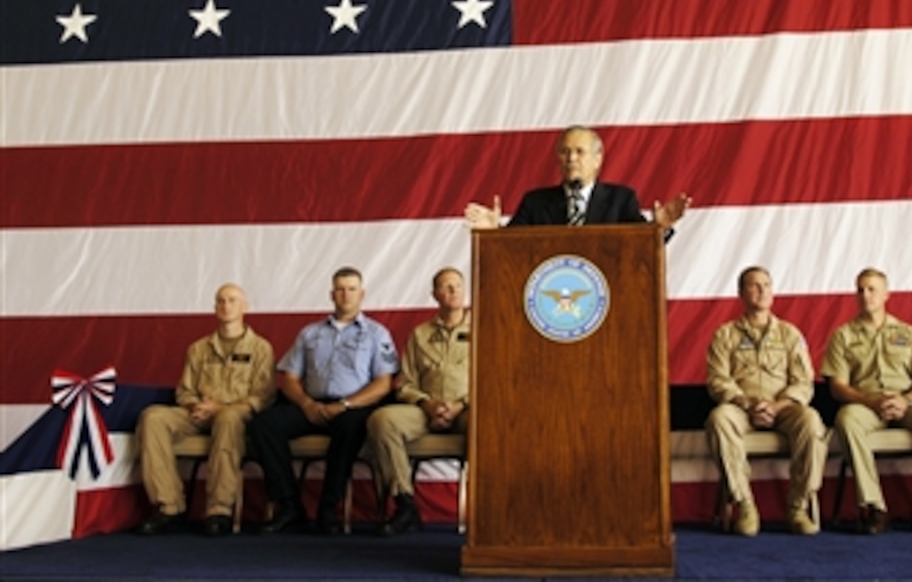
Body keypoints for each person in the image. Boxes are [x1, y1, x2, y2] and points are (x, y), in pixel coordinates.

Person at [248, 267, 399, 534]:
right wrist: (306, 404)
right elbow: (291, 379)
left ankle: (329, 509)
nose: (346, 295)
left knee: (349, 428)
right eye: (340, 289)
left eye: (352, 289)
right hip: (313, 405)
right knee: (264, 425)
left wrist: (344, 405)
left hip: (352, 408)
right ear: (332, 294)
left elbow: (383, 384)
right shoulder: (310, 333)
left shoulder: (377, 334)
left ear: (362, 294)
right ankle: (290, 505)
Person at [821, 268, 912, 534]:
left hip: (905, 404)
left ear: (886, 294)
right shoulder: (843, 335)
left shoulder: (908, 333)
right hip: (865, 406)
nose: (865, 295)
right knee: (846, 419)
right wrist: (870, 401)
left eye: (872, 289)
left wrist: (906, 401)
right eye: (860, 290)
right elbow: (838, 387)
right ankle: (873, 506)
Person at [135, 283, 276, 536]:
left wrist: (220, 407)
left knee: (228, 418)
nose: (226, 305)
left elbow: (262, 397)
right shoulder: (198, 349)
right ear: (214, 308)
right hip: (198, 412)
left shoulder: (261, 349)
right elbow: (184, 391)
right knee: (153, 417)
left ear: (245, 307)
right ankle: (169, 506)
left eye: (232, 300)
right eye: (220, 301)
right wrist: (195, 405)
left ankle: (218, 510)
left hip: (236, 414)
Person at [705, 266, 827, 536]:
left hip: (783, 408)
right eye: (754, 285)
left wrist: (776, 406)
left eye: (766, 285)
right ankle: (745, 505)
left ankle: (797, 506)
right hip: (742, 409)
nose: (761, 291)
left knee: (811, 420)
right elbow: (718, 381)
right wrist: (748, 404)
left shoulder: (790, 334)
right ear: (741, 293)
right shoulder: (725, 335)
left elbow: (803, 383)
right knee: (719, 418)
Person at [367, 267, 470, 537]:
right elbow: (405, 383)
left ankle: (488, 507)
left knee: (491, 425)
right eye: (446, 287)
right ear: (434, 294)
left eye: (457, 286)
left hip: (468, 411)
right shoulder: (420, 334)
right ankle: (405, 504)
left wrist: (459, 405)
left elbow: (493, 379)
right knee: (382, 420)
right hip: (425, 411)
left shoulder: (484, 329)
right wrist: (428, 404)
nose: (453, 292)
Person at [464, 125, 691, 232]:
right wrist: (496, 233)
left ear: (597, 159)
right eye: (565, 152)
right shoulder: (536, 202)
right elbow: (513, 245)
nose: (571, 158)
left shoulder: (620, 200)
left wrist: (659, 227)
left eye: (579, 152)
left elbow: (642, 244)